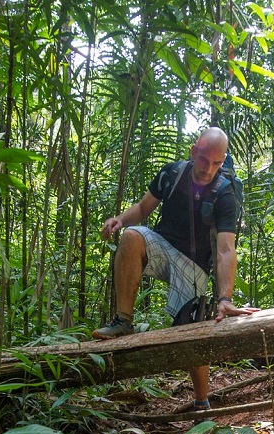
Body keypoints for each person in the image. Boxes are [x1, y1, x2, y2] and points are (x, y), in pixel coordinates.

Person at [94, 127, 258, 410]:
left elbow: (226, 249)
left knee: (192, 330)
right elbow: (144, 209)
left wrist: (225, 299)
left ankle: (201, 401)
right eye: (205, 160)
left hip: (194, 265)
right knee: (132, 236)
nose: (209, 169)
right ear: (194, 152)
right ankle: (123, 322)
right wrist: (120, 219)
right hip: (161, 247)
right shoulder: (172, 174)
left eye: (217, 163)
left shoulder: (225, 194)